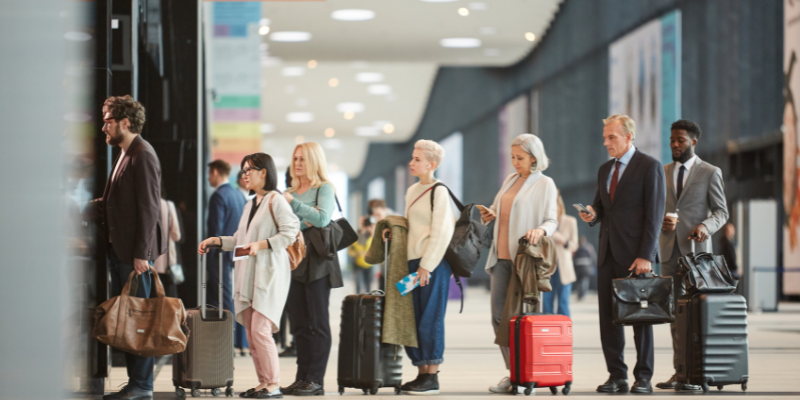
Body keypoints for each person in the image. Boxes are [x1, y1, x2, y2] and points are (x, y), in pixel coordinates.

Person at [198, 153, 299, 399]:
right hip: (250, 274)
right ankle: (263, 382)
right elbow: (241, 240)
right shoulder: (250, 203)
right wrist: (217, 241)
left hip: (269, 275)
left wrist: (261, 244)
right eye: (242, 171)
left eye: (248, 170)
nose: (244, 175)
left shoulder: (276, 200)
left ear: (263, 172)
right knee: (254, 332)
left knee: (261, 331)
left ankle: (273, 384)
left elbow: (291, 231)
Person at [579, 114, 666, 394]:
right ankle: (617, 375)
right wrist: (591, 215)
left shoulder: (649, 167)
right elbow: (601, 208)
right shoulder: (605, 169)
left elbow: (654, 216)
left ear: (629, 137)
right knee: (609, 319)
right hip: (607, 254)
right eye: (605, 137)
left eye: (611, 137)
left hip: (635, 257)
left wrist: (645, 255)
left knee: (640, 319)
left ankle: (644, 377)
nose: (606, 142)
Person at [94, 95, 166, 400]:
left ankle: (142, 386)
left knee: (138, 319)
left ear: (125, 122)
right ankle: (137, 383)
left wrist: (141, 254)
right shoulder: (125, 153)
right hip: (121, 251)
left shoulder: (142, 154)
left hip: (133, 255)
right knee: (131, 318)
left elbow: (149, 208)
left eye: (108, 120)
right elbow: (111, 204)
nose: (103, 127)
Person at [478, 134, 559, 394]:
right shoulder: (510, 180)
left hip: (525, 261)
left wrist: (540, 230)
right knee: (499, 318)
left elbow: (552, 220)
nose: (515, 162)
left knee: (526, 319)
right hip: (501, 257)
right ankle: (514, 374)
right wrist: (490, 214)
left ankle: (529, 374)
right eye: (512, 157)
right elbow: (500, 209)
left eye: (520, 158)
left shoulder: (545, 184)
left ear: (534, 157)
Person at [656, 119, 729, 390]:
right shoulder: (661, 172)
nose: (675, 145)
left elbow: (721, 212)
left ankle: (700, 373)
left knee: (698, 315)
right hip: (668, 253)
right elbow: (652, 210)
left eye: (681, 141)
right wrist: (660, 221)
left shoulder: (710, 172)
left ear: (693, 142)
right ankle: (681, 372)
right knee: (675, 316)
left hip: (697, 258)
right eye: (672, 140)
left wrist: (704, 227)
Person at [383, 139, 456, 395]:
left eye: (417, 159)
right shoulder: (413, 191)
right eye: (412, 157)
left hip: (432, 264)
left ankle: (432, 376)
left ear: (431, 164)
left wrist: (427, 266)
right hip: (412, 264)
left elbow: (441, 231)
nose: (411, 162)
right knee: (412, 319)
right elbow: (412, 225)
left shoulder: (440, 191)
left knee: (430, 318)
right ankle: (421, 372)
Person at [280, 142, 343, 396]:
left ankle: (315, 380)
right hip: (294, 261)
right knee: (299, 325)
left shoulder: (323, 188)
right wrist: (302, 217)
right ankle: (302, 377)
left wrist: (295, 206)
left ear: (314, 161)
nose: (297, 163)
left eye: (303, 159)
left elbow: (322, 218)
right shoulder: (289, 190)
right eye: (295, 158)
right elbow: (286, 226)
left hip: (317, 262)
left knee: (318, 323)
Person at [206, 159, 249, 355]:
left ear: (215, 172)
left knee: (222, 298)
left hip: (221, 255)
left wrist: (211, 252)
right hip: (237, 254)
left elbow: (216, 230)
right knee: (236, 297)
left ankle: (226, 343)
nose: (208, 178)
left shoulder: (218, 196)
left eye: (209, 174)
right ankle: (241, 342)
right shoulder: (238, 196)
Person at [542, 192, 578, 317]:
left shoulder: (570, 221)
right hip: (547, 267)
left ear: (560, 206)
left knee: (563, 302)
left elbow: (574, 245)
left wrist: (563, 239)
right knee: (546, 302)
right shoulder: (543, 223)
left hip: (564, 268)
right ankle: (548, 330)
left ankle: (564, 331)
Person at [349, 199, 389, 293]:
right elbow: (359, 244)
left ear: (385, 210)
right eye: (373, 216)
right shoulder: (373, 225)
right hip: (382, 272)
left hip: (394, 272)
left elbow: (390, 250)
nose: (376, 218)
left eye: (378, 215)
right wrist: (362, 231)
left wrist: (376, 235)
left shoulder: (393, 223)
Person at [153, 187, 181, 298]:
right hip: (167, 262)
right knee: (168, 297)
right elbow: (177, 235)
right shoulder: (169, 205)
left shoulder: (145, 205)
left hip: (150, 262)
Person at [572, 237, 597, 301]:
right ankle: (582, 293)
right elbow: (593, 257)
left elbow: (574, 258)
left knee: (579, 281)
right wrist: (593, 266)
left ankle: (580, 294)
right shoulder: (589, 247)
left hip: (578, 267)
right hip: (586, 267)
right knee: (585, 281)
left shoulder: (577, 247)